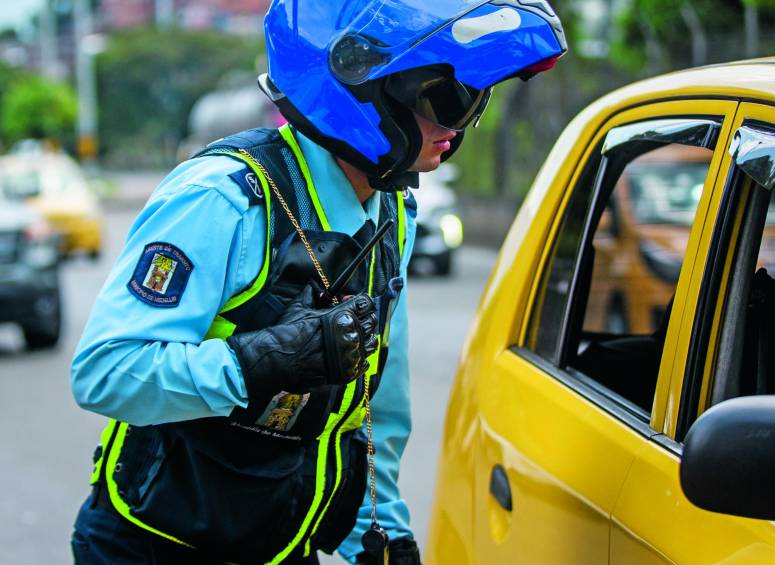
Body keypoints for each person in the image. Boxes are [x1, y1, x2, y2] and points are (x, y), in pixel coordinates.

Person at [69, 1, 567, 564]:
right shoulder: (225, 198)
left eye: (476, 100)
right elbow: (104, 371)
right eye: (445, 98)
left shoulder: (390, 212)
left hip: (280, 544)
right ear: (357, 88)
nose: (455, 126)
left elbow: (373, 408)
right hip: (156, 544)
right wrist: (260, 360)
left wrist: (381, 535)